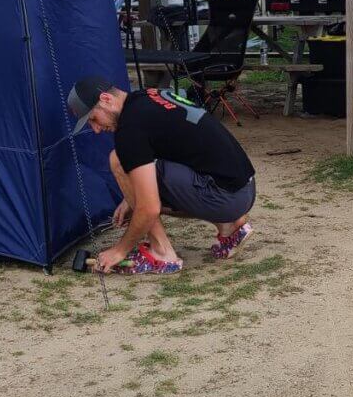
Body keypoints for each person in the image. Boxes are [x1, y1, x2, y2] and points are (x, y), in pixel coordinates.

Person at [68, 76, 256, 274]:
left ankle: (162, 252)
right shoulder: (147, 96)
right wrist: (129, 198)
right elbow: (171, 146)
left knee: (118, 160)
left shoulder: (130, 129)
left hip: (225, 197)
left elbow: (149, 208)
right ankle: (229, 225)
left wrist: (119, 251)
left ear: (106, 99)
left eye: (93, 119)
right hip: (244, 189)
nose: (96, 130)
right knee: (139, 188)